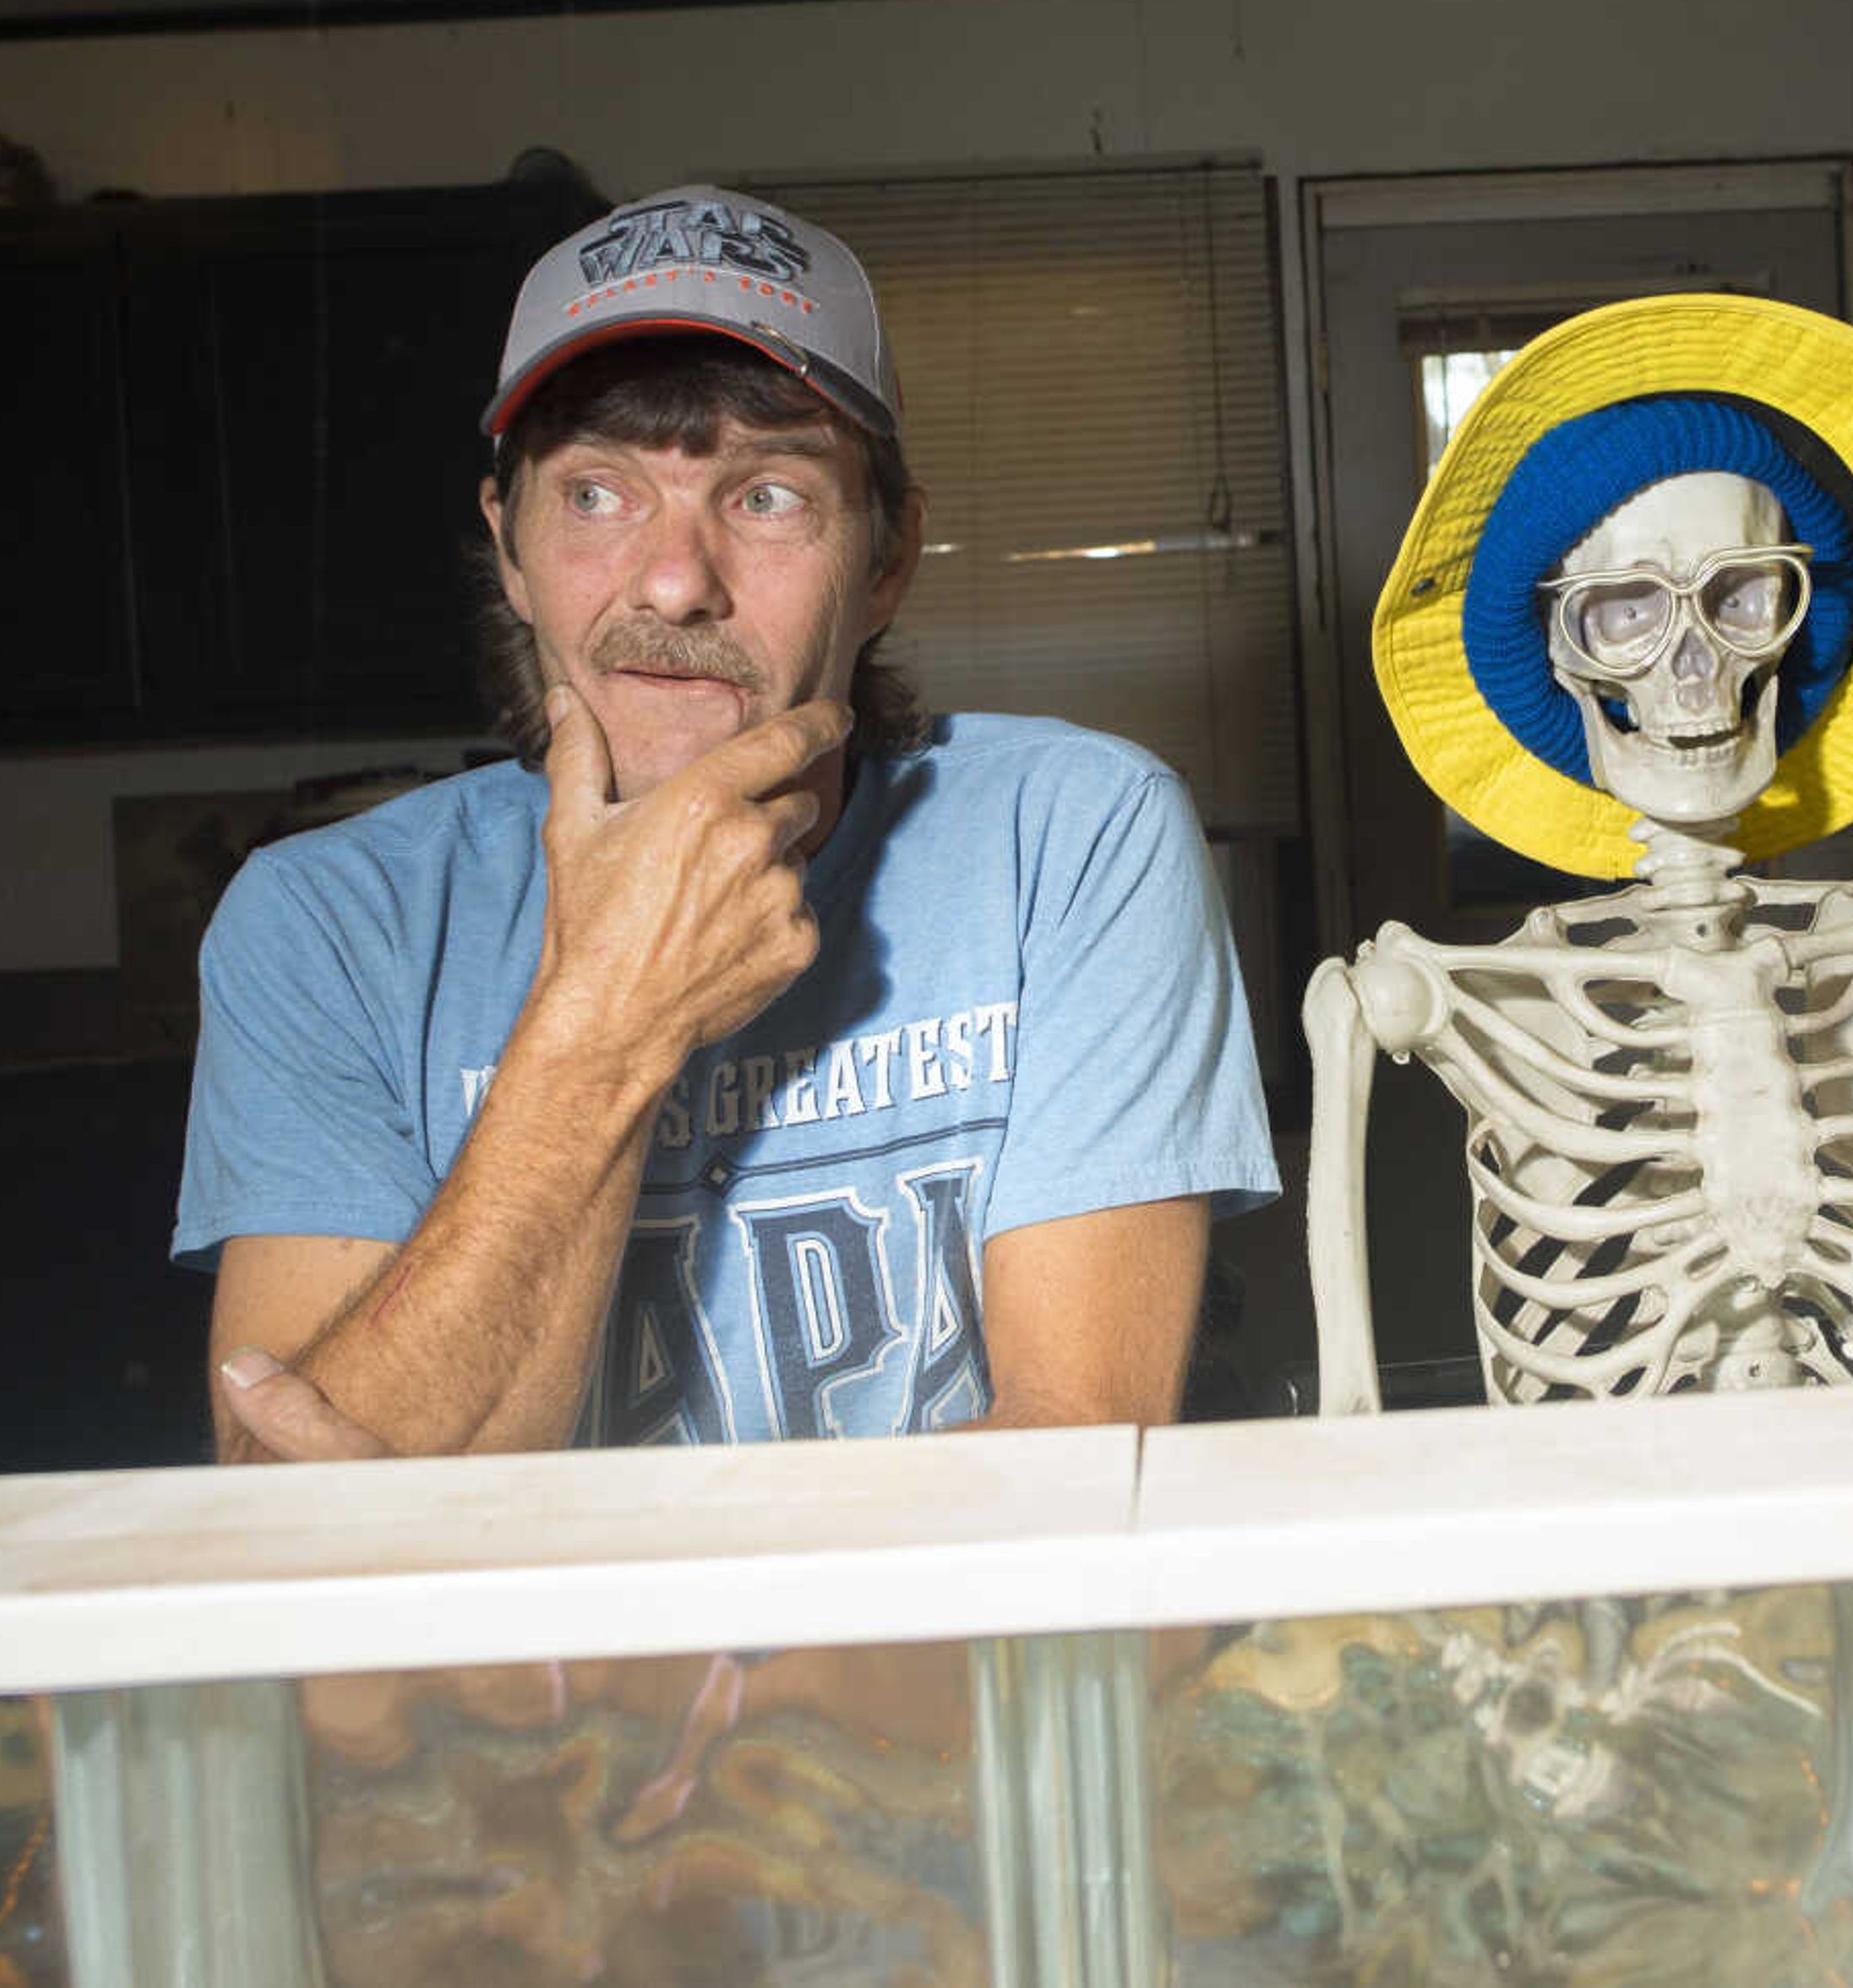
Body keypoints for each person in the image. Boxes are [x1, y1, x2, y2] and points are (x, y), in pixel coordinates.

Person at [177, 184, 1279, 1462]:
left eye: (766, 497)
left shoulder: (1072, 839)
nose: (673, 580)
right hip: (524, 1676)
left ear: (886, 560)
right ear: (510, 550)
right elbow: (292, 1522)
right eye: (597, 494)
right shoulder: (323, 923)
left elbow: (1082, 1460)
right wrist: (610, 1022)